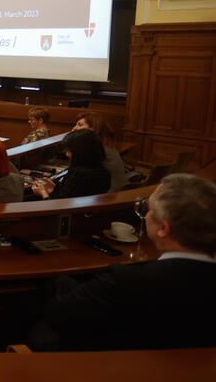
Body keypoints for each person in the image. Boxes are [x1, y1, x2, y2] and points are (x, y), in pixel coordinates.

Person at [29, 174, 216, 352]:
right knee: (61, 283)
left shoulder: (129, 279)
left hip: (106, 365)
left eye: (150, 210)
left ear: (164, 229)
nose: (146, 214)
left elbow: (57, 316)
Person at [32, 128, 110, 199]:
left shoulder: (77, 174)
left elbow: (60, 208)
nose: (67, 154)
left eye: (70, 150)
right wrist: (55, 188)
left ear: (80, 152)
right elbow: (71, 194)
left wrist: (43, 193)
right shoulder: (104, 171)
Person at [73, 112, 126, 192]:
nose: (74, 128)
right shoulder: (104, 143)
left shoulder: (94, 147)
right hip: (117, 190)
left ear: (93, 128)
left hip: (110, 195)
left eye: (80, 125)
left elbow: (80, 174)